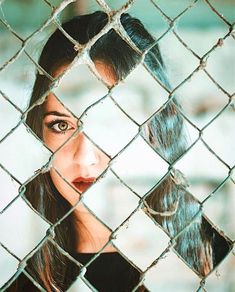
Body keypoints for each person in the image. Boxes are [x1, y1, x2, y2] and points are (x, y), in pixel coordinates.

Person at [6, 10, 231, 292]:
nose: (84, 157)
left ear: (154, 128)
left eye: (112, 122)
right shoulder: (13, 264)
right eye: (61, 125)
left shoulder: (216, 256)